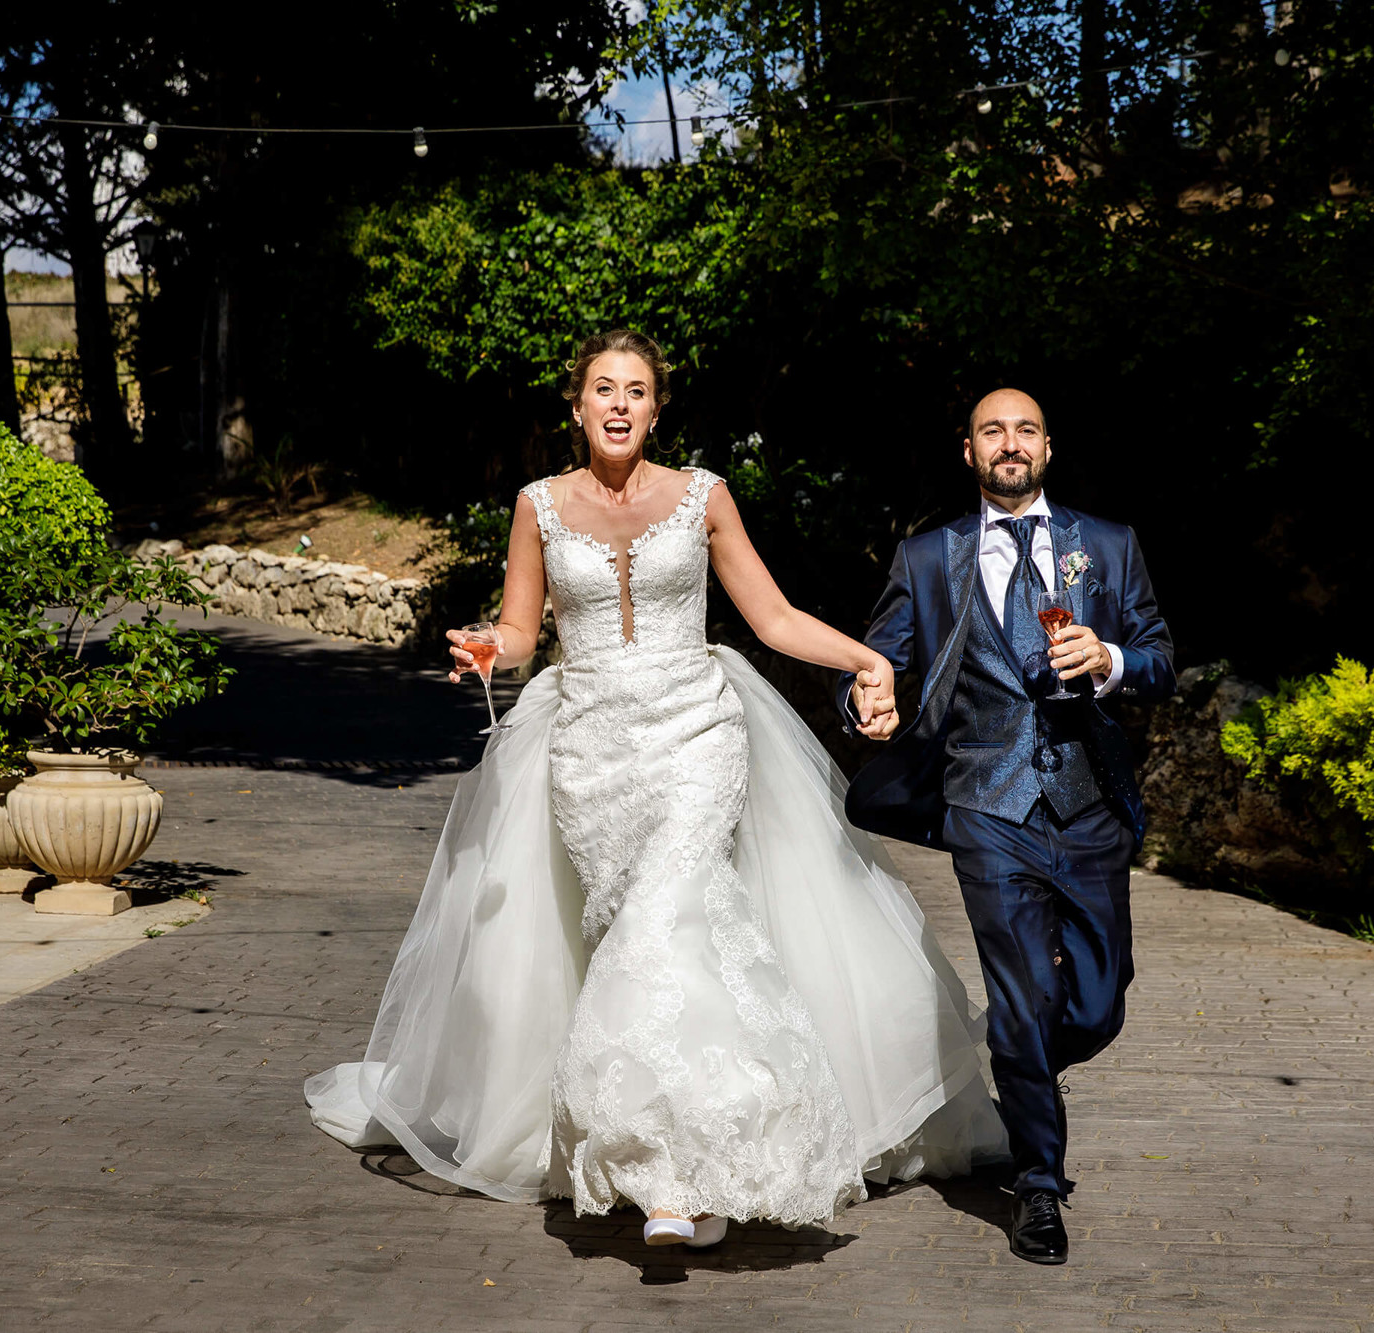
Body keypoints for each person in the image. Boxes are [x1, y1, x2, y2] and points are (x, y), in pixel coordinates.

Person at [305, 330, 1004, 1248]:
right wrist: (490, 645)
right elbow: (522, 630)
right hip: (591, 752)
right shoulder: (538, 507)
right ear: (578, 404)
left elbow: (774, 616)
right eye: (604, 388)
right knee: (625, 933)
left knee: (670, 923)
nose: (621, 404)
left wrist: (866, 655)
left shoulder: (704, 497)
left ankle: (673, 1178)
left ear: (658, 407)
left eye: (637, 390)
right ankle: (681, 1154)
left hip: (697, 736)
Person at [837, 388, 1175, 1265]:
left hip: (1091, 805)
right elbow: (881, 660)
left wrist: (1111, 660)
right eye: (994, 431)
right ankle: (1038, 1182)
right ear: (969, 450)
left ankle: (1021, 1056)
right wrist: (863, 697)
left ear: (1049, 448)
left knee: (1098, 1005)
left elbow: (1161, 656)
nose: (1010, 443)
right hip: (987, 804)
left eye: (1025, 430)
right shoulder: (926, 557)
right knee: (1024, 997)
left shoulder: (1108, 545)